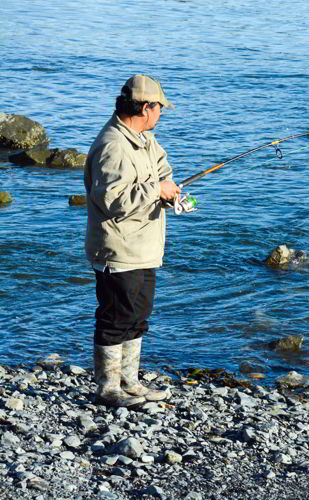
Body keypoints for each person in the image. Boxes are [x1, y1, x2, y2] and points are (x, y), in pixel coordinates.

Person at [84, 74, 180, 407]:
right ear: (144, 107)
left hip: (144, 247)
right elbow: (112, 200)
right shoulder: (114, 145)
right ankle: (108, 390)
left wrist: (168, 190)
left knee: (138, 315)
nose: (161, 114)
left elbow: (162, 169)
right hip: (118, 249)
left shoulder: (143, 139)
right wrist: (157, 191)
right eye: (159, 108)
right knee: (115, 317)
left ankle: (129, 382)